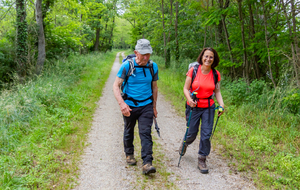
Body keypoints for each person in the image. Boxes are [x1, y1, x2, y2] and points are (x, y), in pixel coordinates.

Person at [113, 39, 158, 175]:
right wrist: (122, 104)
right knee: (129, 130)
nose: (146, 57)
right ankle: (129, 154)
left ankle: (147, 162)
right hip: (129, 105)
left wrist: (154, 107)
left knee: (145, 133)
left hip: (146, 105)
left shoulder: (153, 66)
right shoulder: (127, 66)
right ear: (136, 52)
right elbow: (116, 86)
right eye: (143, 54)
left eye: (148, 54)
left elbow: (154, 88)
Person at [179, 47, 225, 174]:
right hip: (193, 105)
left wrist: (221, 105)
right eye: (206, 56)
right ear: (202, 57)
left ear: (214, 59)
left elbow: (217, 91)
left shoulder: (216, 74)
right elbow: (185, 88)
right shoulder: (193, 70)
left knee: (206, 134)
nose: (208, 59)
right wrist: (189, 100)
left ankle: (202, 159)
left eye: (211, 57)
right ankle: (185, 143)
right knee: (192, 133)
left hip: (209, 107)